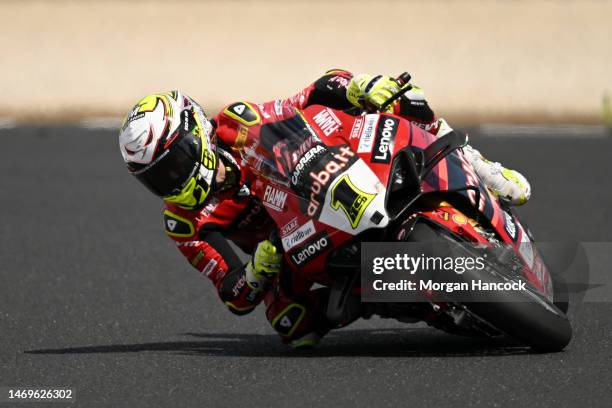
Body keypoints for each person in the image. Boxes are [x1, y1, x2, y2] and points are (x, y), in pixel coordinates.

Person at [118, 70, 531, 348]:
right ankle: (383, 298)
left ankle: (473, 161)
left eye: (174, 164)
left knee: (397, 95)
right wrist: (257, 271)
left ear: (196, 132)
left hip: (323, 184)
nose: (171, 182)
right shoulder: (184, 222)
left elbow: (311, 94)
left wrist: (356, 91)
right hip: (291, 246)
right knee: (290, 325)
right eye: (157, 179)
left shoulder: (235, 122)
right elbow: (234, 295)